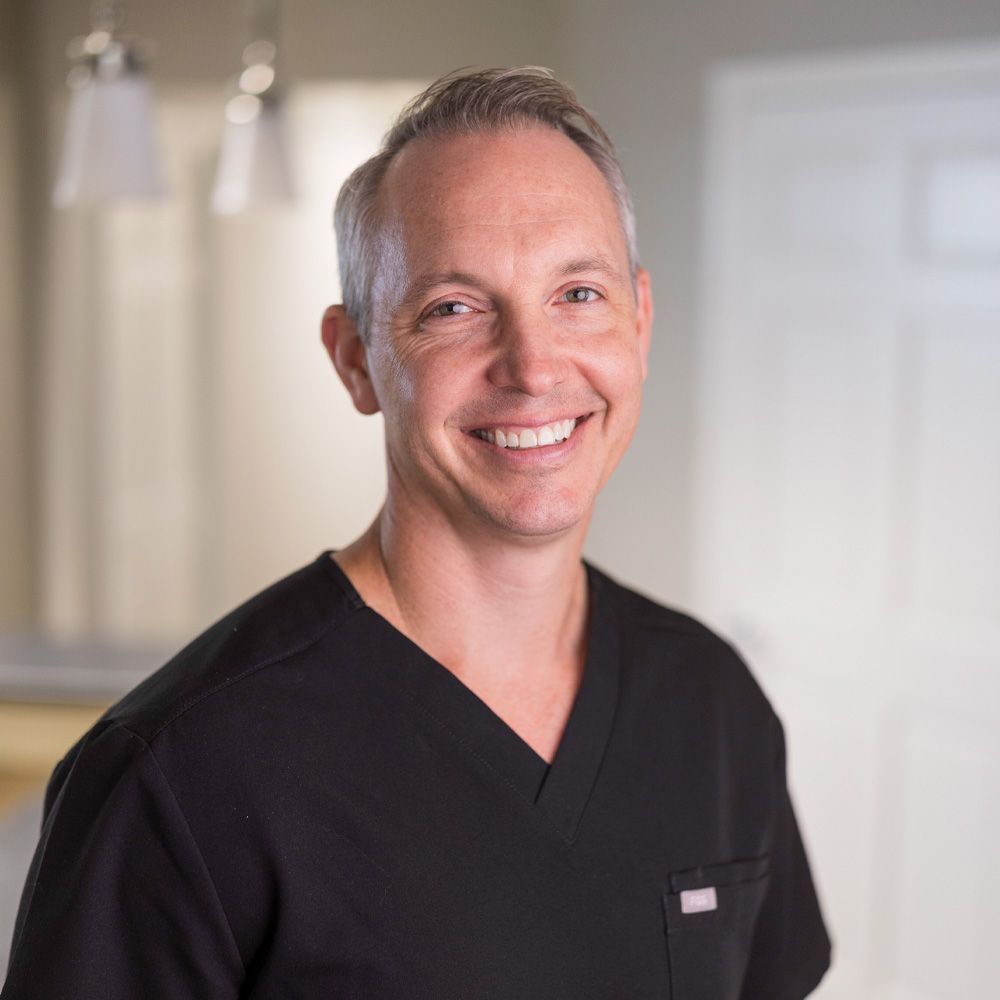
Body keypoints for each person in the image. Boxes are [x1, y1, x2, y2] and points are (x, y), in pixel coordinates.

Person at [2, 67, 832, 999]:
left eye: (579, 294)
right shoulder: (181, 772)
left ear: (639, 321)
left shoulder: (711, 703)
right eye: (453, 309)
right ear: (355, 360)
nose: (531, 365)